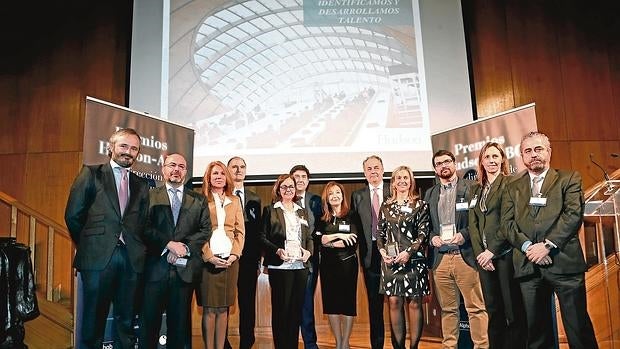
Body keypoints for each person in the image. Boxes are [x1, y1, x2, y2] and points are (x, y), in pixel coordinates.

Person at [501, 132, 598, 349]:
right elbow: (507, 224)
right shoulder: (511, 186)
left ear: (549, 152)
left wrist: (546, 246)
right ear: (522, 157)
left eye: (538, 149)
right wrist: (529, 248)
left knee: (577, 327)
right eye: (528, 151)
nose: (533, 155)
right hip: (529, 267)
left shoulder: (569, 178)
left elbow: (572, 216)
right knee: (536, 333)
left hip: (564, 264)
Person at [65, 128, 150, 349]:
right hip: (97, 259)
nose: (128, 152)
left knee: (126, 322)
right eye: (123, 146)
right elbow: (73, 215)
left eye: (134, 148)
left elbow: (142, 223)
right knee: (93, 322)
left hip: (132, 260)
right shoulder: (91, 173)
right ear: (110, 147)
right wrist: (90, 246)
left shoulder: (142, 184)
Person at [139, 153, 211, 349]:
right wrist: (168, 244)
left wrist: (183, 247)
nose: (176, 169)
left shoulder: (199, 200)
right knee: (149, 327)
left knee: (179, 330)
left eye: (181, 166)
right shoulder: (149, 196)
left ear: (186, 172)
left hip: (184, 273)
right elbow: (142, 227)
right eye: (172, 165)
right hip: (154, 270)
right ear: (163, 169)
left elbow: (205, 230)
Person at [424, 150, 488, 349]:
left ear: (454, 163)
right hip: (441, 260)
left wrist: (465, 235)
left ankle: (482, 346)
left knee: (475, 308)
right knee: (448, 310)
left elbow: (479, 221)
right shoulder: (430, 193)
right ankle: (449, 346)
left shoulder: (472, 187)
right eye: (439, 163)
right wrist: (432, 237)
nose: (443, 166)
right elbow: (425, 225)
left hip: (464, 256)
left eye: (447, 161)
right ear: (435, 169)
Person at [468, 143, 526, 349]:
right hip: (484, 259)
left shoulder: (510, 183)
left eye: (495, 156)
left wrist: (491, 251)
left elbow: (508, 222)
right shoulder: (475, 189)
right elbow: (472, 225)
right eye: (487, 157)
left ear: (502, 159)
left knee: (512, 311)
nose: (491, 160)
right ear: (481, 161)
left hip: (505, 255)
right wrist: (480, 255)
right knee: (493, 311)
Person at [350, 155, 401, 349]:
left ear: (383, 169)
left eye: (376, 167)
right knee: (375, 305)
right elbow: (355, 226)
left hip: (395, 256)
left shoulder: (393, 191)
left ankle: (398, 344)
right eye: (369, 168)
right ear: (364, 173)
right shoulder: (358, 196)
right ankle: (377, 345)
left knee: (396, 302)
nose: (373, 171)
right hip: (370, 257)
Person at [377, 166, 430, 349]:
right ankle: (398, 347)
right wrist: (383, 252)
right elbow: (380, 234)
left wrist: (409, 252)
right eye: (398, 177)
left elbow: (423, 233)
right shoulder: (386, 206)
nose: (402, 181)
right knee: (393, 301)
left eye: (405, 177)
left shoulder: (420, 205)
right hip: (391, 263)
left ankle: (414, 346)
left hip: (413, 261)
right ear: (393, 182)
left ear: (411, 181)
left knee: (415, 303)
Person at [260, 174, 313, 349]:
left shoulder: (302, 210)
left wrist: (308, 252)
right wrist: (277, 250)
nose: (288, 190)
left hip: (300, 266)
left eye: (291, 186)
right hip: (280, 266)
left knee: (295, 312)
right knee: (281, 311)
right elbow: (262, 237)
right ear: (278, 189)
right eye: (284, 187)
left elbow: (309, 237)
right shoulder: (271, 210)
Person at [198, 161, 245, 349]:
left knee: (224, 308)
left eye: (222, 173)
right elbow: (197, 230)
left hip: (230, 261)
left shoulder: (234, 201)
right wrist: (208, 256)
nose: (219, 176)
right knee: (210, 309)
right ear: (208, 178)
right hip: (209, 260)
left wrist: (235, 254)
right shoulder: (200, 199)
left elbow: (240, 231)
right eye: (215, 173)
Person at [223, 156, 262, 349]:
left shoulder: (255, 198)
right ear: (227, 170)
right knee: (224, 303)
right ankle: (222, 342)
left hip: (248, 259)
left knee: (247, 303)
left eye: (242, 167)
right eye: (234, 167)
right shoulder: (221, 195)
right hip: (226, 258)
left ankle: (247, 342)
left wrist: (259, 260)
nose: (238, 170)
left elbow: (257, 232)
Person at [316, 181, 358, 349]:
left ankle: (345, 342)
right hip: (328, 266)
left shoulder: (351, 215)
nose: (334, 196)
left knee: (348, 304)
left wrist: (329, 240)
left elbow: (353, 240)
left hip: (348, 264)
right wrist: (338, 235)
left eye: (338, 193)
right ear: (327, 197)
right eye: (331, 193)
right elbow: (320, 239)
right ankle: (338, 341)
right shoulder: (322, 217)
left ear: (342, 196)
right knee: (331, 304)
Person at [290, 164, 322, 349]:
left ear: (308, 181)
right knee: (290, 303)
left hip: (310, 260)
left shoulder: (316, 201)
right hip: (287, 261)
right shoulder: (282, 201)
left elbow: (320, 228)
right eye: (296, 176)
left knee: (307, 302)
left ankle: (310, 343)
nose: (300, 179)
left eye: (303, 176)